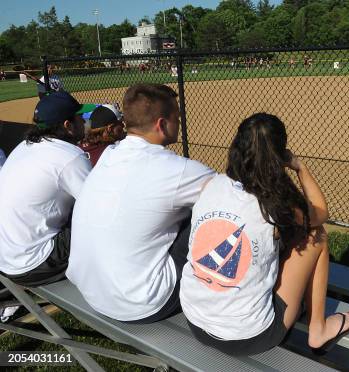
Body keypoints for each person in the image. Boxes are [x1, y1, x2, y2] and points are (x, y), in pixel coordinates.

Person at [180, 113, 349, 356]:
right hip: (250, 336)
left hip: (195, 320)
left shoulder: (211, 184)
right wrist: (300, 168)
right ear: (280, 156)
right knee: (317, 236)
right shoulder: (276, 206)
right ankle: (318, 329)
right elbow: (320, 212)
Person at [67, 84, 216, 323]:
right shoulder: (178, 170)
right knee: (213, 215)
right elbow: (234, 197)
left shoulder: (108, 156)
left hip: (91, 291)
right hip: (144, 303)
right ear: (161, 124)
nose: (179, 122)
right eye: (176, 117)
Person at [0, 92, 93, 286]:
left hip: (7, 257)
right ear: (68, 126)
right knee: (105, 223)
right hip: (35, 264)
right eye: (79, 117)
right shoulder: (70, 156)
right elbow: (100, 208)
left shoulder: (25, 146)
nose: (83, 122)